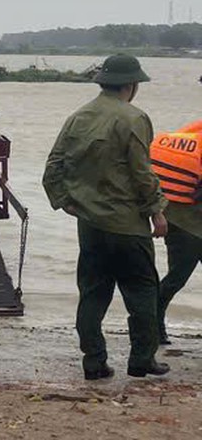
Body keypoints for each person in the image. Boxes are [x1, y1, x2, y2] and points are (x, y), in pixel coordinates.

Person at [43, 54, 169, 380]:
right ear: (132, 85)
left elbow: (53, 168)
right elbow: (142, 174)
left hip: (90, 225)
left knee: (93, 292)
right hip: (128, 225)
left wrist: (64, 202)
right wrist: (157, 212)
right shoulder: (134, 118)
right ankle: (142, 359)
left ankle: (94, 362)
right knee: (142, 291)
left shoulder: (77, 117)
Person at [152, 120, 202, 344]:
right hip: (186, 225)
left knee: (176, 277)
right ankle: (152, 322)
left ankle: (152, 322)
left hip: (177, 217)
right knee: (177, 277)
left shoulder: (190, 134)